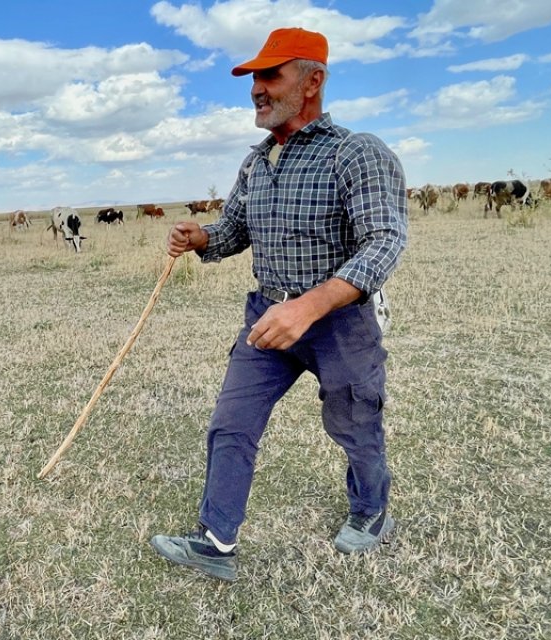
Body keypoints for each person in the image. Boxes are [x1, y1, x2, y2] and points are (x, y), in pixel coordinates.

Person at [149, 27, 409, 582]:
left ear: (312, 82)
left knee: (356, 423)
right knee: (231, 423)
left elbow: (384, 240)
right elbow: (234, 230)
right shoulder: (257, 163)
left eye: (271, 76)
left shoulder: (355, 153)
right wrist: (202, 238)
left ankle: (371, 511)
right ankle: (216, 542)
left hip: (339, 324)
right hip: (267, 316)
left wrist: (310, 306)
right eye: (254, 79)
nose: (257, 90)